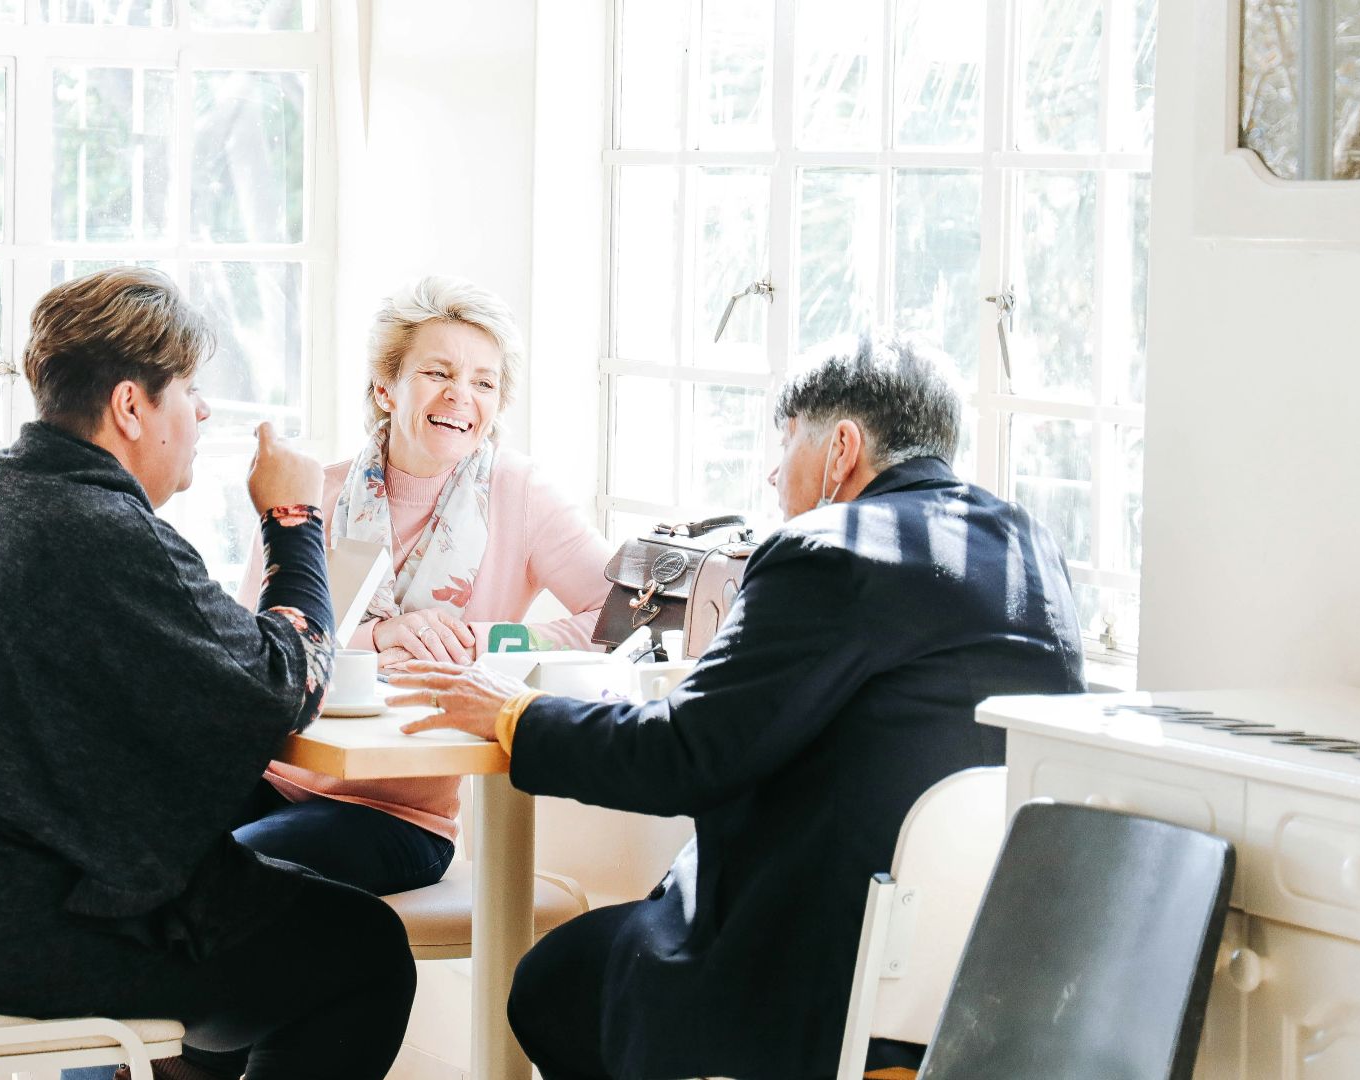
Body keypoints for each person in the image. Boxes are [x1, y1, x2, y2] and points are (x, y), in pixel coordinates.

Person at [393, 333, 1087, 1080]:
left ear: (840, 449)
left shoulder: (827, 548)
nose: (770, 473)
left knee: (552, 984)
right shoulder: (1028, 549)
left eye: (786, 444)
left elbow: (679, 756)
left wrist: (514, 713)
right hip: (976, 983)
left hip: (810, 968)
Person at [0, 268, 416, 1080]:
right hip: (1, 928)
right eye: (188, 388)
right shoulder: (99, 528)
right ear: (130, 406)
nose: (204, 411)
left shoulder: (9, 496)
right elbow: (286, 686)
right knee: (360, 951)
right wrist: (294, 518)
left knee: (276, 914)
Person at [231, 275, 612, 897]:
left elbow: (619, 619)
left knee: (229, 878)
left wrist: (473, 642)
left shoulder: (520, 494)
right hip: (267, 774)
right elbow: (253, 645)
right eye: (438, 373)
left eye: (484, 383)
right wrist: (383, 634)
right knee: (145, 852)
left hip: (396, 818)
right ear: (386, 388)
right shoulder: (314, 493)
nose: (461, 396)